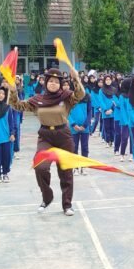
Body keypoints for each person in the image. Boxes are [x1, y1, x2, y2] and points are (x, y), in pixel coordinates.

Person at [8, 67, 85, 215]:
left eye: (56, 81)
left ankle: (67, 205)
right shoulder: (38, 100)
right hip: (45, 136)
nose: (53, 84)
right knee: (40, 167)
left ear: (60, 84)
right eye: (50, 81)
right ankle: (47, 197)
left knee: (66, 172)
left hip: (63, 136)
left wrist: (76, 78)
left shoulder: (66, 97)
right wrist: (12, 91)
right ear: (45, 83)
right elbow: (17, 105)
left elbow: (80, 94)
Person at [68, 79, 91, 175]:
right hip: (73, 128)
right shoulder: (69, 97)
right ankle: (75, 167)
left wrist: (85, 125)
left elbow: (90, 111)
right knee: (74, 147)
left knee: (85, 147)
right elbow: (67, 112)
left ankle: (84, 166)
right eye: (75, 84)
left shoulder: (87, 96)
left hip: (85, 127)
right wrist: (73, 124)